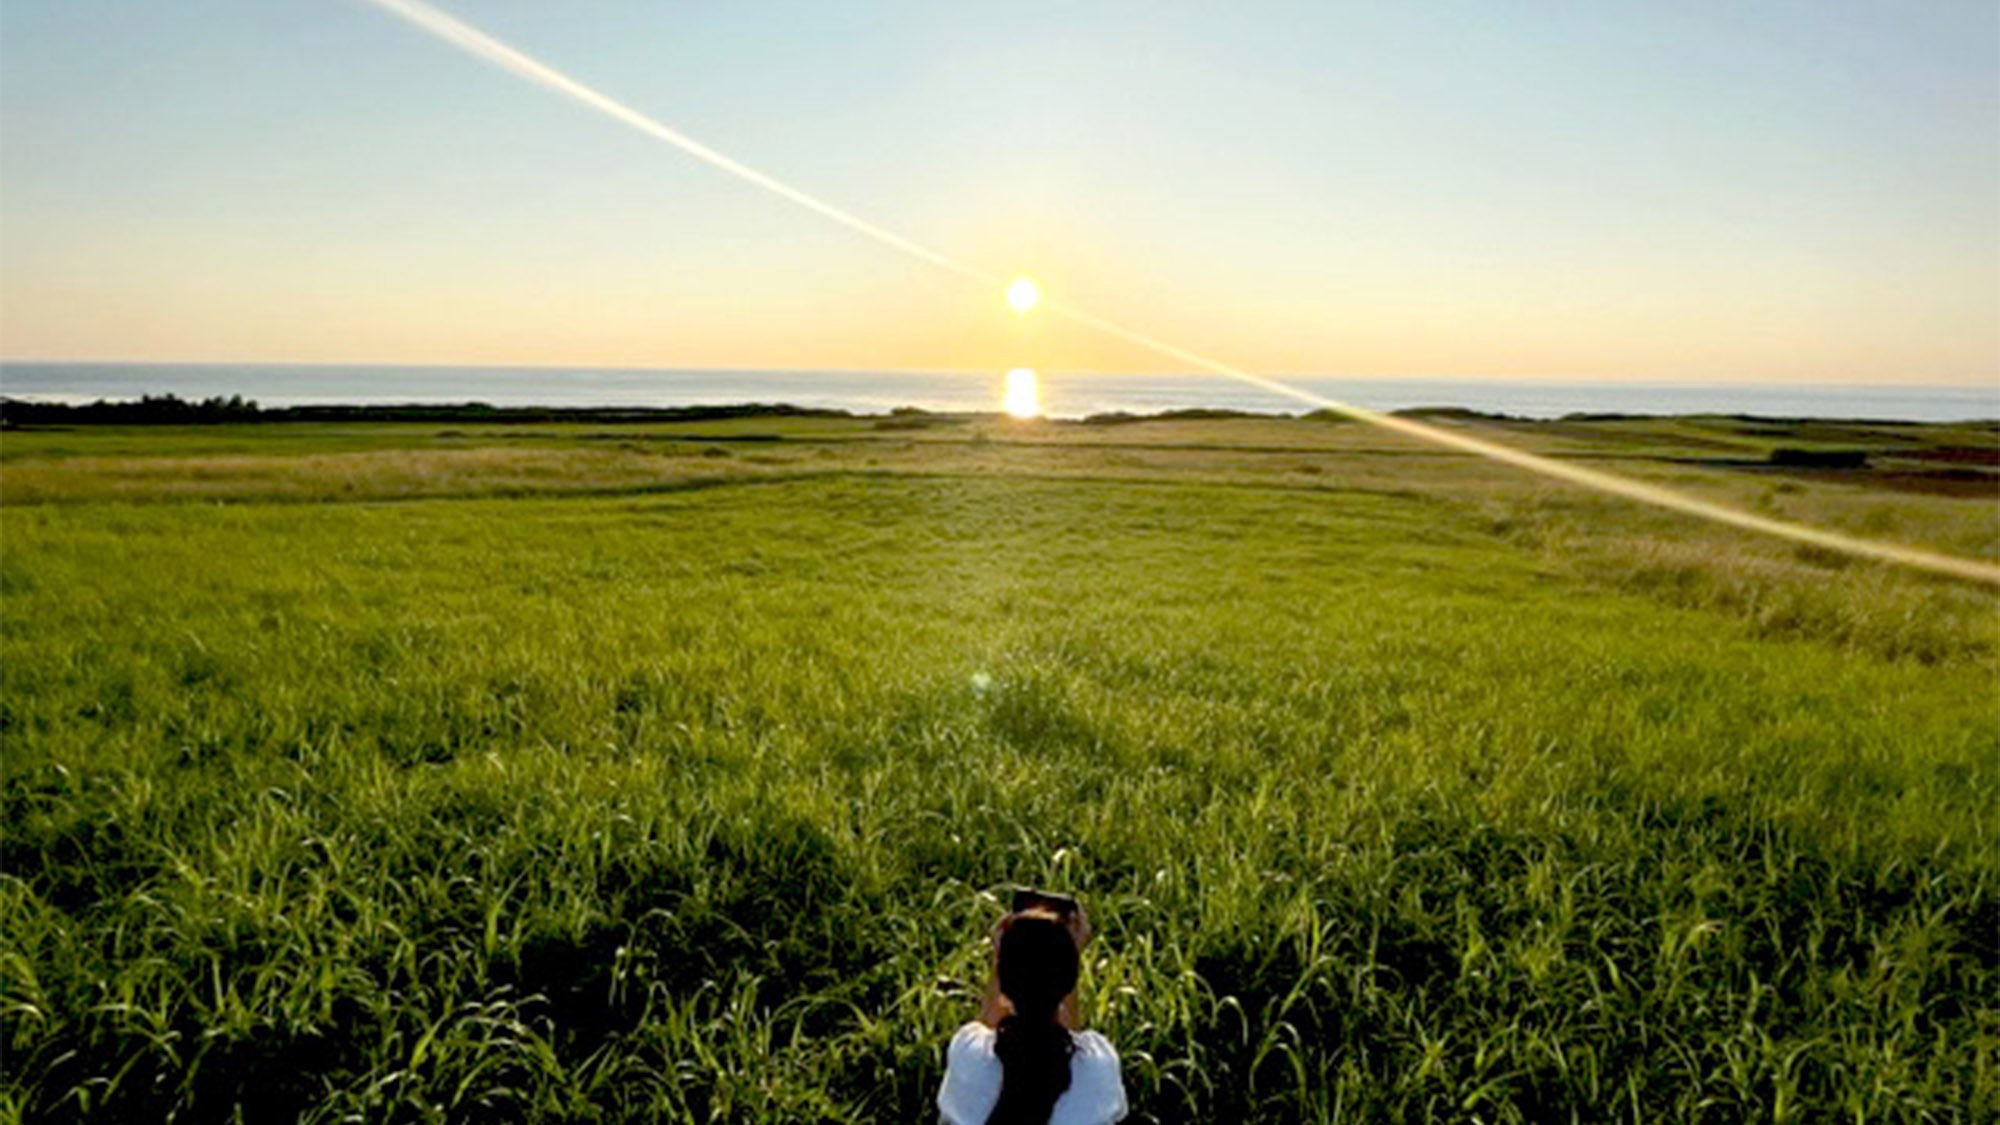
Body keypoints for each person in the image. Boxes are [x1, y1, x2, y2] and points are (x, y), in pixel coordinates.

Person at [937, 894, 1127, 1125]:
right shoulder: (1098, 1063)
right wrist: (1070, 955)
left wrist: (999, 957)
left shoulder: (967, 1053)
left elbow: (987, 1029)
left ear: (1004, 980)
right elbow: (1062, 1044)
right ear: (1069, 980)